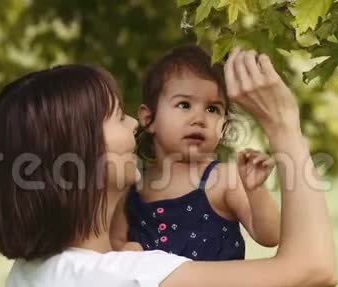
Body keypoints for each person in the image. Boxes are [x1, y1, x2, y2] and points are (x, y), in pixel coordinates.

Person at [0, 48, 337, 287]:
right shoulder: (118, 282)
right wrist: (284, 126)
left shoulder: (31, 275)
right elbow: (313, 270)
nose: (134, 124)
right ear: (79, 153)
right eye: (118, 117)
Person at [110, 45, 280, 261]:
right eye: (184, 104)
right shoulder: (133, 187)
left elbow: (270, 236)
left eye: (213, 109)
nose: (199, 118)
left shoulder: (223, 180)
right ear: (148, 118)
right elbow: (115, 242)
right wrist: (126, 250)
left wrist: (255, 190)